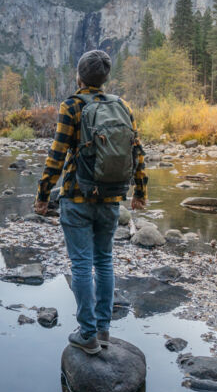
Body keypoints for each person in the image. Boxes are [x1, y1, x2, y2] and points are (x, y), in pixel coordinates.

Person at [34, 49, 148, 355]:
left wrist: (43, 195)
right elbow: (136, 150)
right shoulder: (121, 105)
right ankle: (104, 330)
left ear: (79, 76)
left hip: (77, 197)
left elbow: (57, 155)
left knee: (82, 265)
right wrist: (140, 192)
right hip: (111, 198)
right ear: (106, 78)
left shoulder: (71, 105)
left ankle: (87, 334)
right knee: (105, 261)